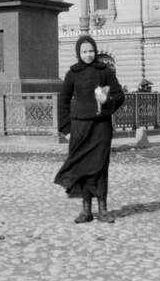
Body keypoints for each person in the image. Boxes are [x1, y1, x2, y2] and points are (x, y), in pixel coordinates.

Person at [54, 35, 125, 224]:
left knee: (100, 167)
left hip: (101, 127)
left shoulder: (105, 71)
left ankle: (103, 209)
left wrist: (107, 101)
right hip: (79, 127)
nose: (88, 55)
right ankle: (86, 210)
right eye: (84, 51)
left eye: (91, 51)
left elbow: (119, 95)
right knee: (82, 167)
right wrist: (66, 129)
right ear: (78, 52)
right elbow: (63, 101)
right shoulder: (73, 73)